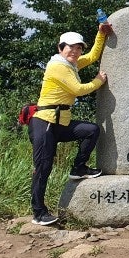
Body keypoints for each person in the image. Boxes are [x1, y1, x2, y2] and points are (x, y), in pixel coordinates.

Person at [29, 25, 110, 226]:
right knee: (43, 167)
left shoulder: (71, 64)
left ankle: (79, 168)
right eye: (70, 47)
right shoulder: (57, 66)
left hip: (60, 123)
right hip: (45, 122)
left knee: (91, 130)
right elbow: (78, 89)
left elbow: (92, 56)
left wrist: (101, 33)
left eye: (78, 48)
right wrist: (98, 81)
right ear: (60, 48)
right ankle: (39, 213)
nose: (75, 51)